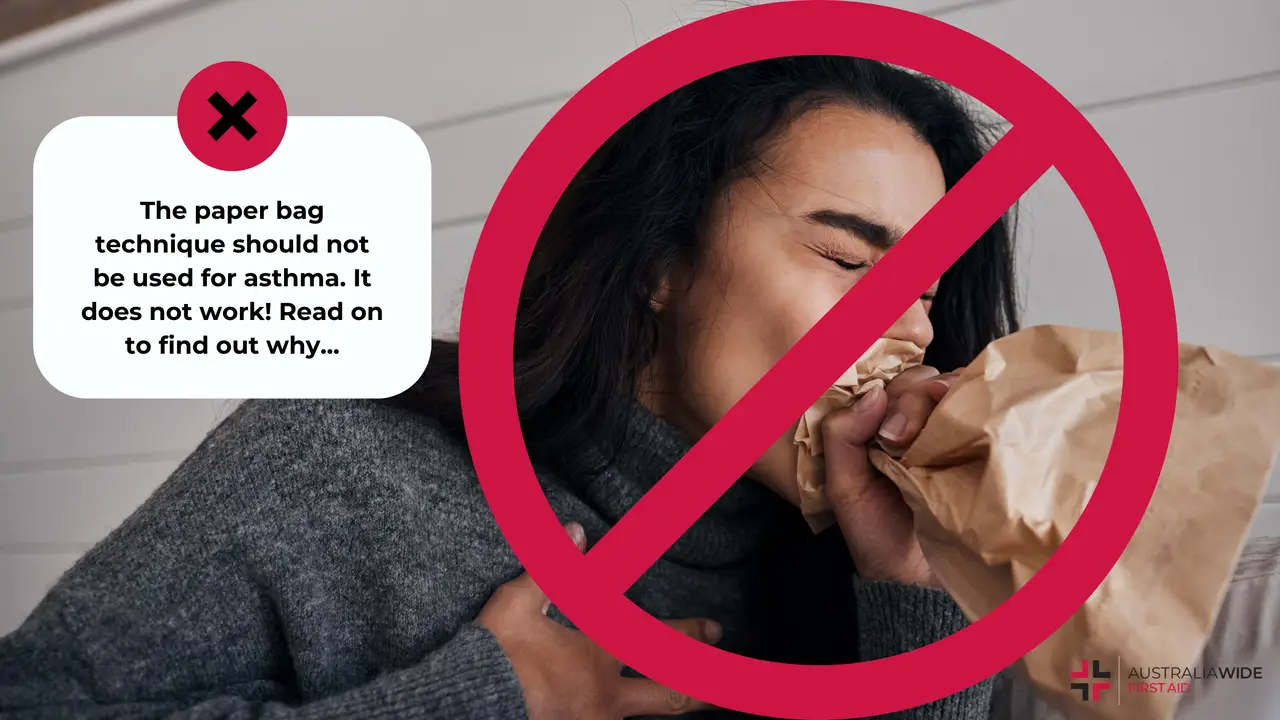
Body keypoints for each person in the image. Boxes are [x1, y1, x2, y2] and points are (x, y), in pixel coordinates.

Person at [0, 56, 1018, 719]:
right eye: (849, 261)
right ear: (658, 259)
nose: (913, 330)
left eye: (927, 294)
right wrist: (484, 699)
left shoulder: (895, 572)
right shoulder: (336, 461)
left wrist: (913, 601)